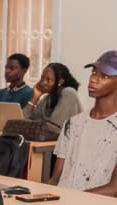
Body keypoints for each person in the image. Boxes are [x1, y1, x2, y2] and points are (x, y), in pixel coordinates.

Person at [49, 50, 117, 196]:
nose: (93, 79)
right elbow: (56, 178)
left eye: (104, 76)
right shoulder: (73, 123)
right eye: (93, 72)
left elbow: (115, 188)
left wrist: (75, 199)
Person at [23, 62, 82, 129]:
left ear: (60, 81)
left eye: (48, 80)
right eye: (42, 78)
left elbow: (54, 127)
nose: (43, 83)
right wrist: (35, 97)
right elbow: (23, 122)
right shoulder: (47, 99)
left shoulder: (69, 93)